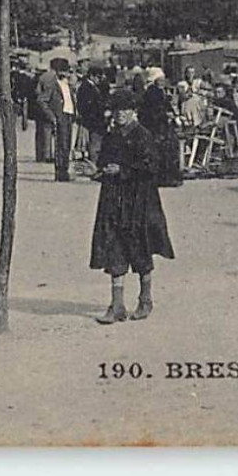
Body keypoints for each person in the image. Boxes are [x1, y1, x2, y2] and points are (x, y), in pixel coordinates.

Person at [90, 89, 175, 324]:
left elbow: (151, 167)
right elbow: (104, 163)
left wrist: (124, 170)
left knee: (140, 247)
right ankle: (116, 305)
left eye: (124, 110)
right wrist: (96, 172)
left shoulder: (142, 135)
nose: (119, 114)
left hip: (139, 200)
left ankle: (145, 299)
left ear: (133, 111)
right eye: (116, 110)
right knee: (114, 247)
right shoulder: (111, 135)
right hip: (113, 199)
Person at [46, 58, 76, 182]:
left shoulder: (68, 85)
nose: (68, 74)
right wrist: (52, 116)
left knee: (67, 144)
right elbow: (42, 100)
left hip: (69, 115)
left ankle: (65, 169)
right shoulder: (53, 85)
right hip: (60, 116)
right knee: (61, 144)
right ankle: (60, 171)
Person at [32, 65, 58, 164]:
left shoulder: (40, 78)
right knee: (50, 132)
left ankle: (41, 155)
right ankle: (49, 155)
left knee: (41, 133)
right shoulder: (53, 78)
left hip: (40, 109)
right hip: (49, 107)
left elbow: (37, 92)